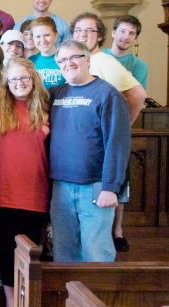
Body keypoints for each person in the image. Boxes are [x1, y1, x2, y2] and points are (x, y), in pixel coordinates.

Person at [70, 12, 146, 253]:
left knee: (96, 230)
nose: (83, 34)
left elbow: (138, 95)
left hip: (99, 154)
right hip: (79, 151)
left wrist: (121, 128)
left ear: (100, 36)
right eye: (78, 30)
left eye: (89, 30)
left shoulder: (104, 61)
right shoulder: (73, 60)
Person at [50, 40, 131, 263]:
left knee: (95, 252)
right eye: (63, 60)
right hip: (61, 187)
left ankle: (95, 298)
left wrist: (111, 187)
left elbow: (118, 144)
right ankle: (67, 298)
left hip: (95, 187)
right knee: (63, 252)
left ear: (87, 59)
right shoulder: (57, 94)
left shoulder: (108, 95)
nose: (69, 63)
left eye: (74, 57)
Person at [0, 59, 50, 307]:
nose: (19, 83)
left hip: (36, 191)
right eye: (13, 80)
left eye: (23, 78)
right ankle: (12, 306)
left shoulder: (47, 107)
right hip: (4, 191)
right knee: (9, 252)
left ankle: (29, 305)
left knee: (33, 254)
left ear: (33, 78)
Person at [104, 15, 148, 88]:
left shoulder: (140, 66)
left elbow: (138, 98)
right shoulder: (97, 56)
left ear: (135, 39)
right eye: (122, 31)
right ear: (113, 33)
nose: (126, 37)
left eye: (131, 33)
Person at [29, 16, 63, 90]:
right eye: (38, 36)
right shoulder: (31, 61)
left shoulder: (66, 59)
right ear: (33, 38)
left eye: (47, 35)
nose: (43, 40)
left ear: (56, 35)